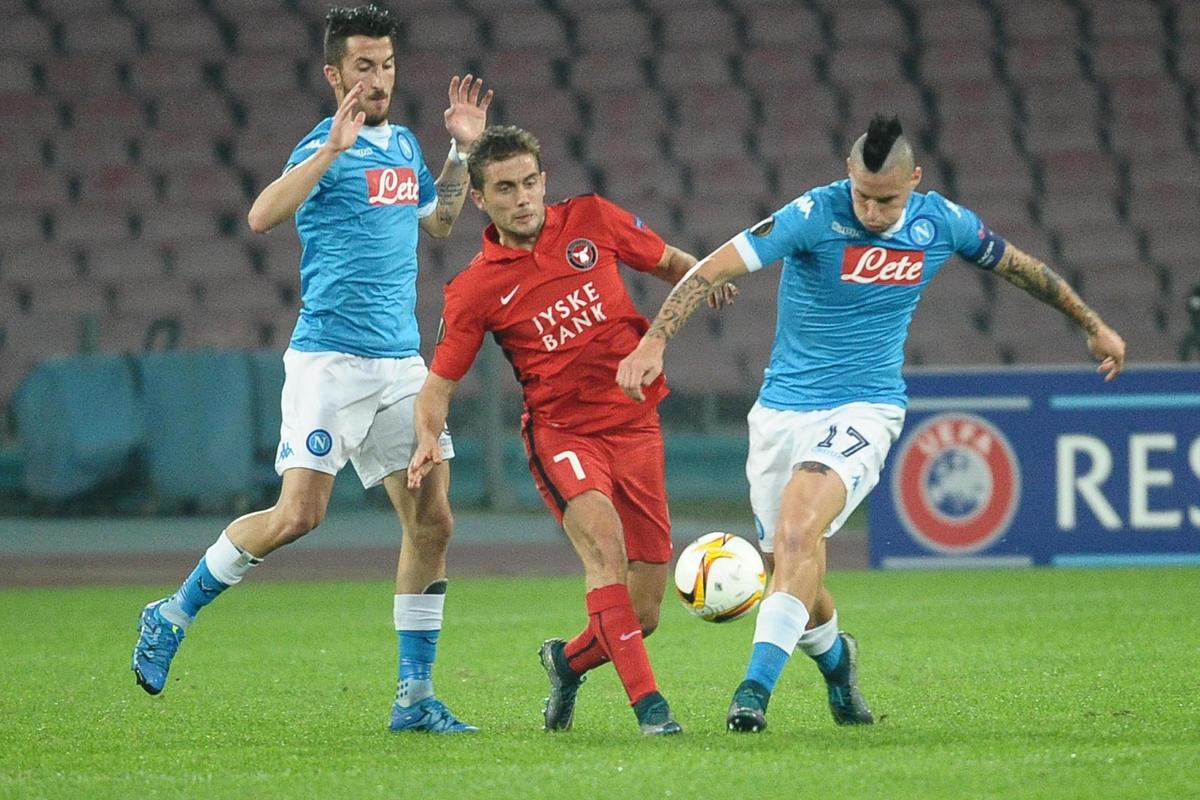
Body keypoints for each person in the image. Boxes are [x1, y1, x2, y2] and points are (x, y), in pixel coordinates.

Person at [617, 114, 1126, 733]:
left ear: (915, 180)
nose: (873, 212)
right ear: (848, 177)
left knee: (799, 533)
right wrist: (655, 342)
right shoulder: (813, 214)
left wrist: (1092, 324)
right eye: (862, 196)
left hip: (866, 407)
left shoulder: (943, 223)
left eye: (887, 200)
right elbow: (713, 269)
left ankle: (753, 692)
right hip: (781, 411)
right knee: (792, 568)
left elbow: (1022, 268)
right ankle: (838, 663)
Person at [131, 4, 493, 735]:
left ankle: (414, 697)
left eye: (387, 65)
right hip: (330, 361)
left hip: (399, 364)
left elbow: (439, 223)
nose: (378, 79)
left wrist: (461, 152)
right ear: (334, 73)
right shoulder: (321, 146)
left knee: (433, 521)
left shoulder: (403, 145)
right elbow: (261, 216)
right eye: (363, 66)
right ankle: (172, 612)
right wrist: (328, 150)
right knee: (299, 516)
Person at [406, 125, 736, 736]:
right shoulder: (475, 288)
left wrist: (704, 277)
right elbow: (438, 387)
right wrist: (428, 435)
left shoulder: (592, 219)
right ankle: (653, 713)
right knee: (603, 551)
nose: (522, 199)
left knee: (643, 612)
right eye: (506, 189)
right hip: (563, 436)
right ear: (480, 198)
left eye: (530, 182)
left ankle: (567, 662)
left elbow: (668, 261)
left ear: (544, 181)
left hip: (636, 426)